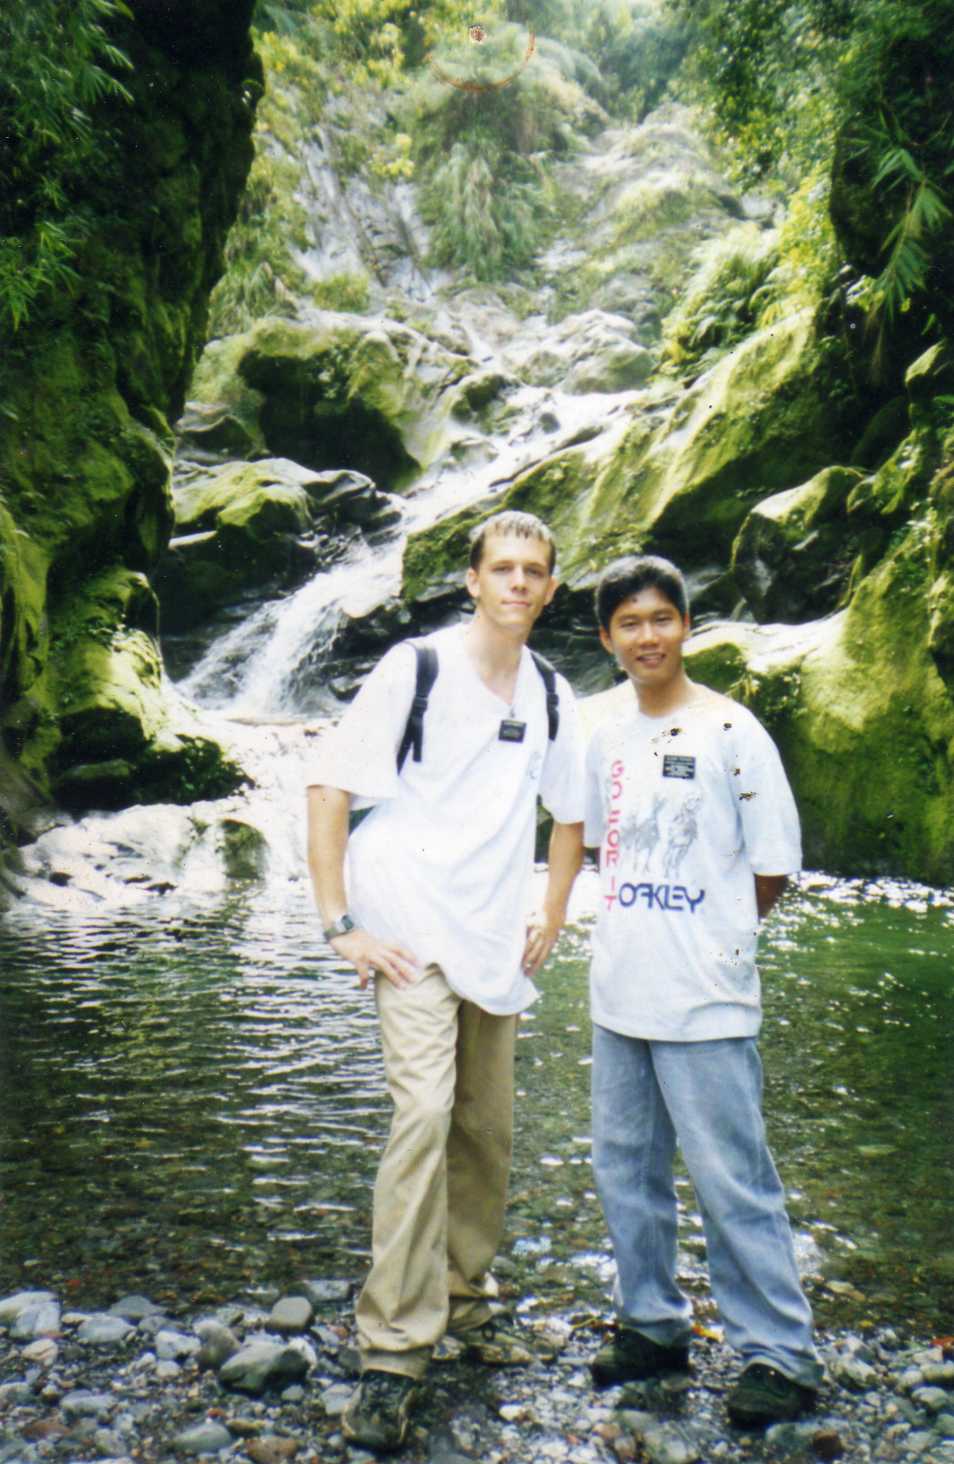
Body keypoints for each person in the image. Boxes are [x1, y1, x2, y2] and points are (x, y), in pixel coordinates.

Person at [306, 510, 585, 1452]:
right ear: (471, 580)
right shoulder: (414, 668)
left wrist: (552, 906)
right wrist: (341, 923)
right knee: (423, 1115)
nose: (516, 583)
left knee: (486, 1129)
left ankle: (464, 1297)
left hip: (492, 936)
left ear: (550, 588)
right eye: (501, 568)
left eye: (533, 571)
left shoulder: (551, 689)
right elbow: (330, 787)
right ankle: (392, 1350)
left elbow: (571, 811)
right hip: (406, 928)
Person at [582, 554, 823, 1428]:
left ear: (686, 626)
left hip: (707, 996)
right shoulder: (598, 728)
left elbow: (773, 864)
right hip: (619, 992)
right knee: (624, 1170)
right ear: (608, 640)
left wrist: (718, 938)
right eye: (629, 624)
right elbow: (586, 838)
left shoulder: (732, 731)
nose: (648, 637)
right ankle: (651, 1323)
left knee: (732, 1177)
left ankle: (780, 1354)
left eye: (662, 619)